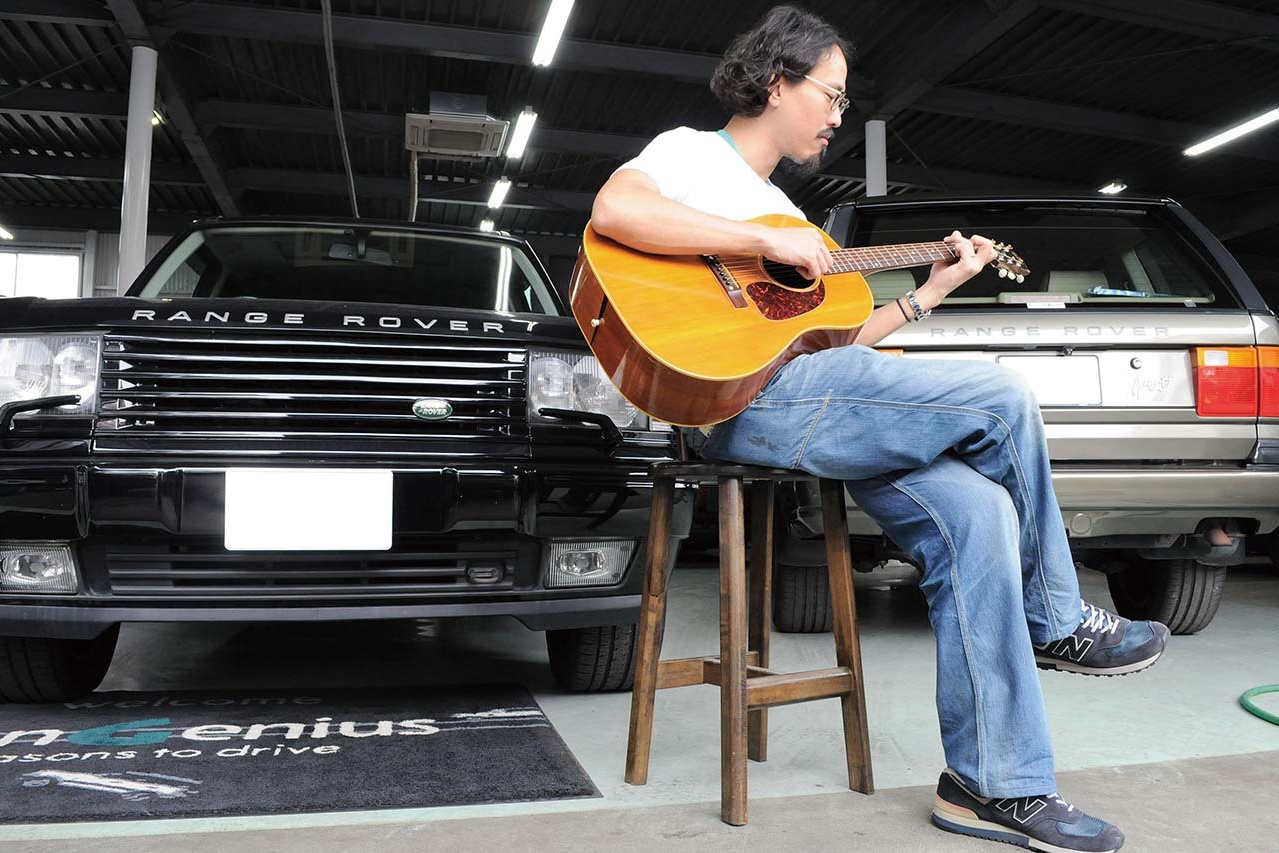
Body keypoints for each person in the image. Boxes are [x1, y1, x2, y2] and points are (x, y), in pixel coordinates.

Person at [589, 6, 1170, 852]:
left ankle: (990, 786)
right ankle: (1054, 617)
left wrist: (930, 292)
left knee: (980, 514)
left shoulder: (787, 217)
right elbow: (615, 210)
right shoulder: (692, 155)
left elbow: (832, 342)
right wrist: (752, 238)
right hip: (739, 403)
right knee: (1002, 399)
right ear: (776, 82)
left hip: (817, 398)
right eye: (830, 94)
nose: (837, 114)